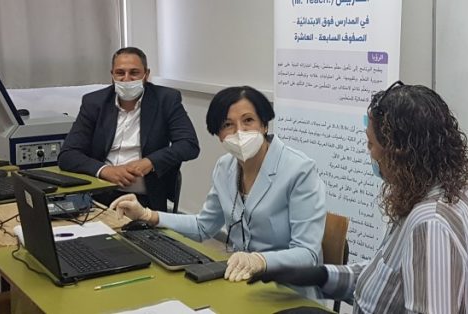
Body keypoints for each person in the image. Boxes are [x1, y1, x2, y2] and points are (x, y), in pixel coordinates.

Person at [249, 82, 468, 313]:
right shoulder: (463, 191)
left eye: (371, 144)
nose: (370, 153)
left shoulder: (431, 224)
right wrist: (319, 276)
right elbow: (384, 277)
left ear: (397, 151)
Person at [112, 86, 326, 285]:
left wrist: (261, 261)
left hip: (288, 288)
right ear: (218, 134)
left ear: (264, 124)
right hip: (239, 280)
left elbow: (308, 254)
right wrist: (147, 215)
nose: (239, 131)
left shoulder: (299, 170)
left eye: (248, 120)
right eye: (227, 125)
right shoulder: (225, 167)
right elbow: (203, 227)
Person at [58, 47, 200, 211]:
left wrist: (150, 162)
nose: (126, 79)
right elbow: (68, 155)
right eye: (120, 73)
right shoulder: (94, 102)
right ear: (112, 75)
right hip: (99, 198)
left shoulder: (166, 100)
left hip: (146, 200)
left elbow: (189, 144)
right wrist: (105, 170)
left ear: (146, 74)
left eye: (134, 73)